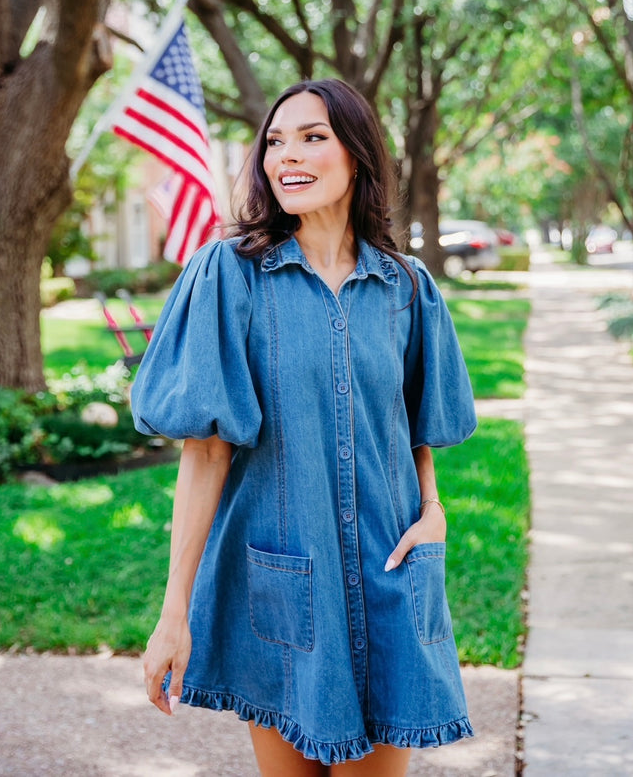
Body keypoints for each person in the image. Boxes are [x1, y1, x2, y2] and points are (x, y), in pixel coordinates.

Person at [131, 78, 477, 776]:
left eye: (313, 137)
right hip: (285, 583)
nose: (287, 154)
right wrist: (174, 612)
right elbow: (205, 453)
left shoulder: (408, 288)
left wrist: (432, 510)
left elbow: (414, 427)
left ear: (356, 156)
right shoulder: (231, 276)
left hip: (393, 569)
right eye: (275, 140)